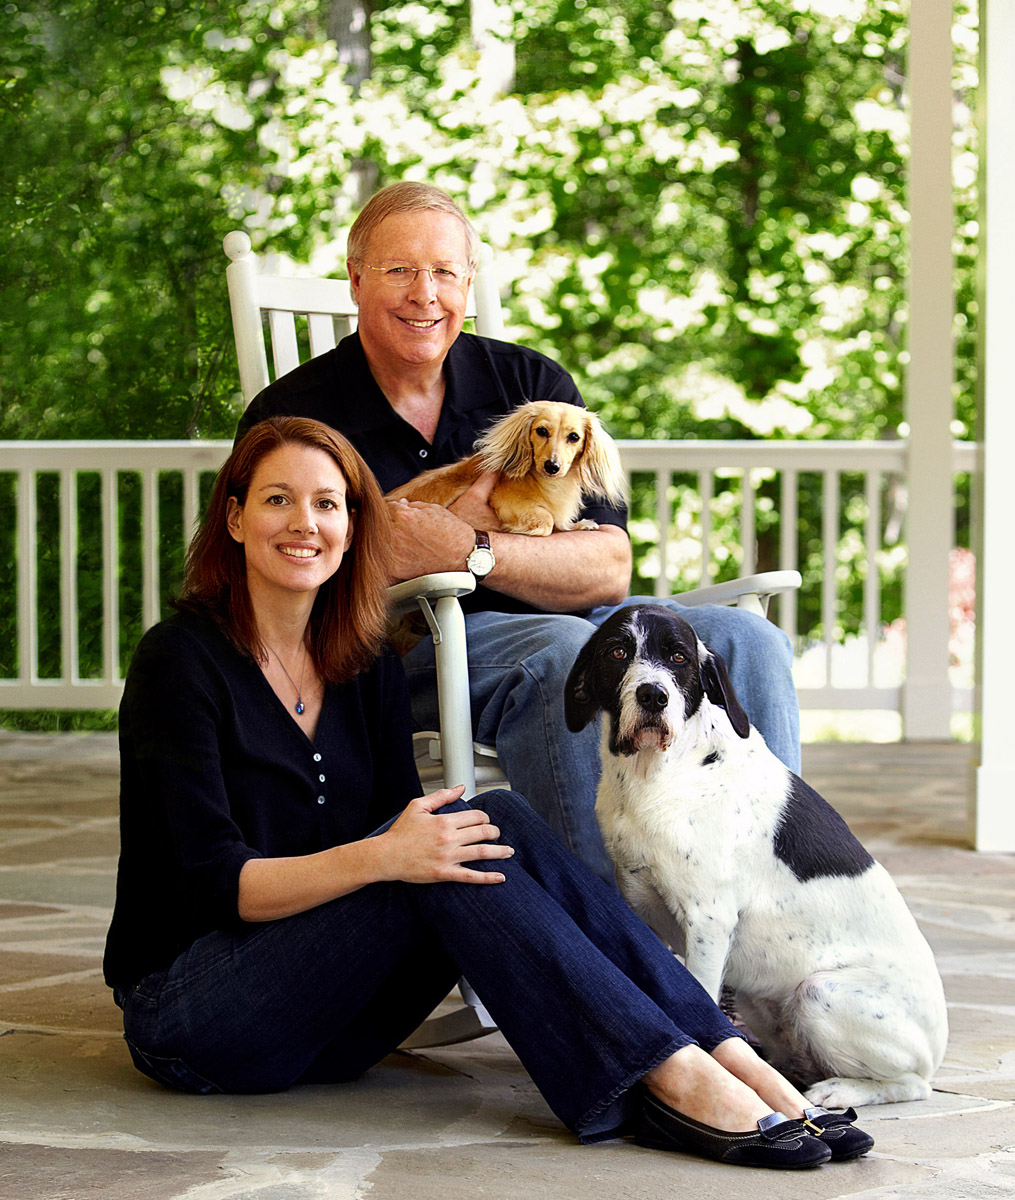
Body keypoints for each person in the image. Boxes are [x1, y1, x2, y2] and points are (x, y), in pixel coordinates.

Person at [103, 416, 871, 1167]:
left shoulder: (359, 659)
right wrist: (385, 859)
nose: (305, 522)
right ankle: (681, 1079)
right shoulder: (181, 662)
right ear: (234, 518)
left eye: (328, 503)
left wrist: (402, 853)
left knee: (477, 825)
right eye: (277, 499)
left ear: (353, 525)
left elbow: (413, 829)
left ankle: (725, 1052)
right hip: (197, 1013)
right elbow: (219, 887)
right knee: (432, 848)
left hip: (336, 1022)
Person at [236, 182, 801, 883]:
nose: (425, 293)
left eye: (445, 271)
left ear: (468, 283)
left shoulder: (531, 386)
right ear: (355, 279)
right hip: (401, 653)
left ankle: (767, 909)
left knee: (750, 639)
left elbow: (607, 566)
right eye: (399, 270)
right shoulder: (296, 417)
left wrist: (468, 548)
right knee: (563, 652)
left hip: (572, 622)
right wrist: (411, 554)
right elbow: (276, 577)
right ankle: (602, 961)